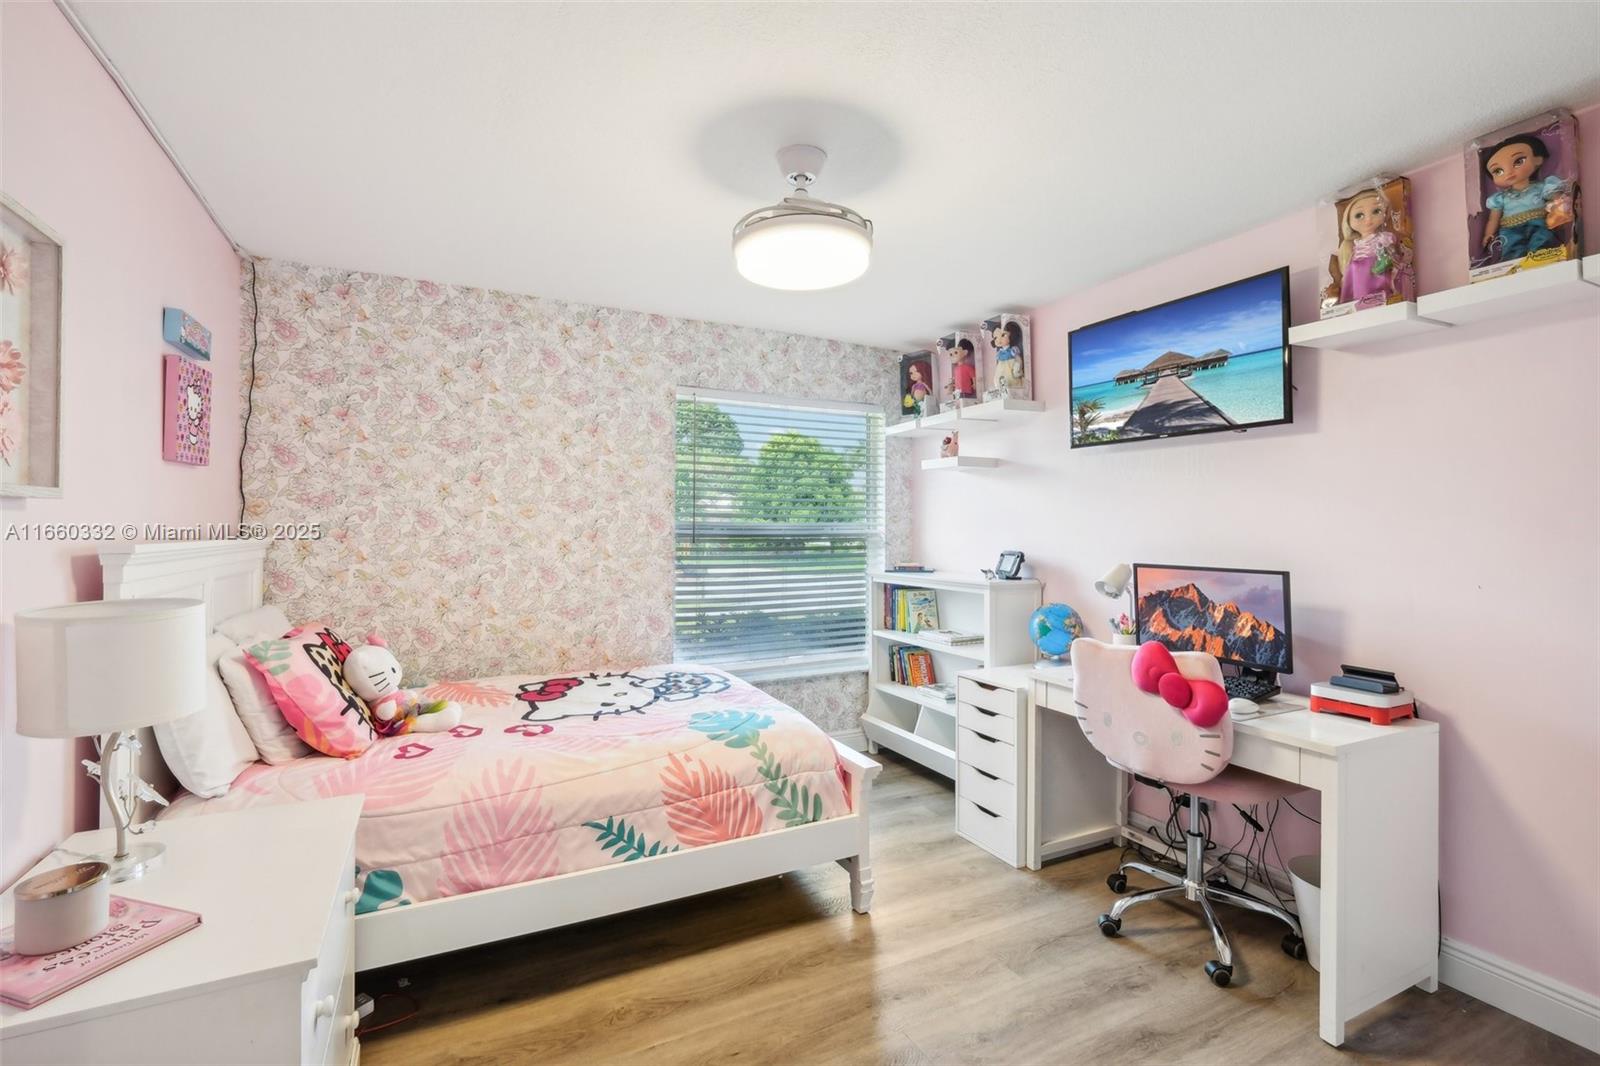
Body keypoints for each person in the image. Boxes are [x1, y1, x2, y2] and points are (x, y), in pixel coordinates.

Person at [1479, 134, 1569, 262]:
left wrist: (1560, 207)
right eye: (1498, 171)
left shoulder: (1543, 186)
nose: (1509, 172)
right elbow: (1493, 218)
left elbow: (1556, 199)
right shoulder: (1500, 198)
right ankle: (1515, 267)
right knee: (1512, 251)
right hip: (1510, 229)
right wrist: (1489, 233)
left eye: (1518, 161)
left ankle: (1542, 261)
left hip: (1539, 223)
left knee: (1542, 243)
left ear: (1538, 159)